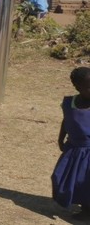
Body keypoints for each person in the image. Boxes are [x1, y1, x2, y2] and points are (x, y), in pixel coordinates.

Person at [52, 67, 90, 220]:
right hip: (75, 150)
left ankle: (87, 211)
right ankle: (85, 208)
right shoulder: (69, 103)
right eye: (89, 87)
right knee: (74, 180)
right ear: (78, 87)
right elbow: (66, 120)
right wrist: (61, 138)